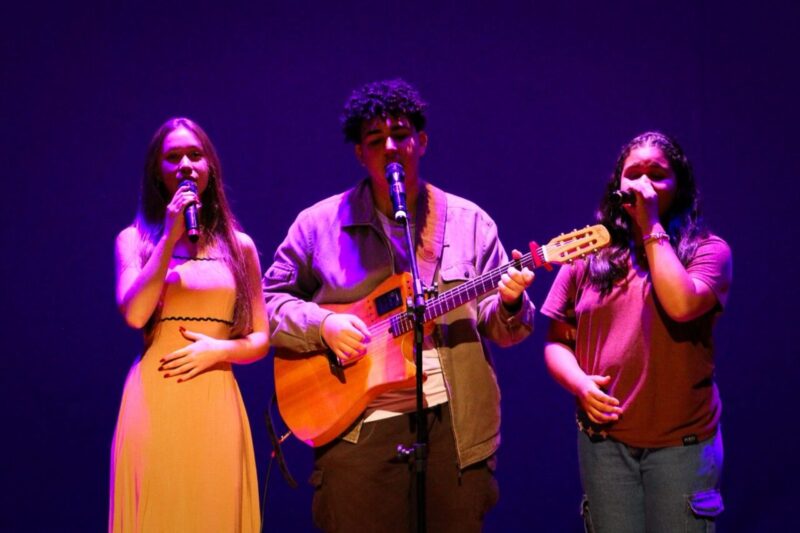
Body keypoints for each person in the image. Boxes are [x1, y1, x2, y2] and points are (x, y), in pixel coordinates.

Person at [262, 79, 535, 532]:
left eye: (401, 134)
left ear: (421, 142)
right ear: (360, 153)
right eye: (375, 140)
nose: (390, 147)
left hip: (453, 429)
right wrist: (323, 324)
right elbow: (266, 303)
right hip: (357, 433)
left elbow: (504, 329)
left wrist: (509, 302)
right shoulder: (317, 226)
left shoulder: (468, 222)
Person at [541, 131, 732, 532]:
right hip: (605, 444)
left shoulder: (707, 250)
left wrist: (651, 226)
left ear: (679, 185)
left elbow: (681, 305)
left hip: (681, 446)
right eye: (633, 174)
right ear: (618, 185)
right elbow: (557, 341)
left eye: (657, 174)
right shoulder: (587, 254)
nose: (643, 184)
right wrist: (580, 384)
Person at [109, 117, 269, 532]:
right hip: (155, 398)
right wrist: (168, 237)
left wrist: (218, 350)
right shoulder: (134, 240)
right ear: (157, 170)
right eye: (173, 157)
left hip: (215, 398)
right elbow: (135, 314)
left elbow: (260, 337)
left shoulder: (240, 246)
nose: (185, 165)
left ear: (209, 166)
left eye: (195, 155)